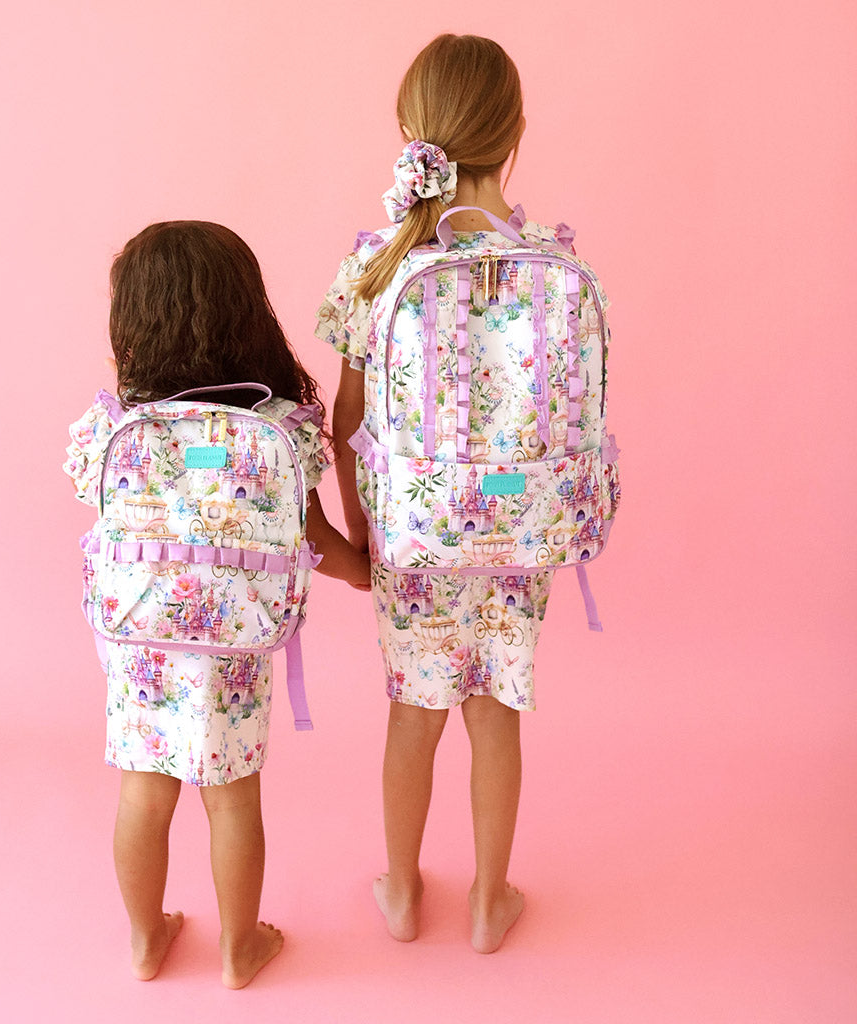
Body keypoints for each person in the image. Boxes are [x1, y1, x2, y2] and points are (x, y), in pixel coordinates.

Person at [317, 34, 588, 954]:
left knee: (414, 710)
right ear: (514, 135)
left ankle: (400, 887)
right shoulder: (552, 263)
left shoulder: (377, 265)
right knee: (496, 709)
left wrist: (365, 542)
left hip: (414, 540)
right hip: (521, 530)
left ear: (411, 133)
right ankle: (488, 899)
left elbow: (347, 426)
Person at [65, 221, 370, 987]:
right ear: (245, 312)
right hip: (235, 640)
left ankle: (145, 939)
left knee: (143, 791)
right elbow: (314, 539)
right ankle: (241, 950)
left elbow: (94, 503)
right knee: (232, 801)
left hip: (140, 639)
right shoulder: (278, 432)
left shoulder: (110, 429)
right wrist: (362, 571)